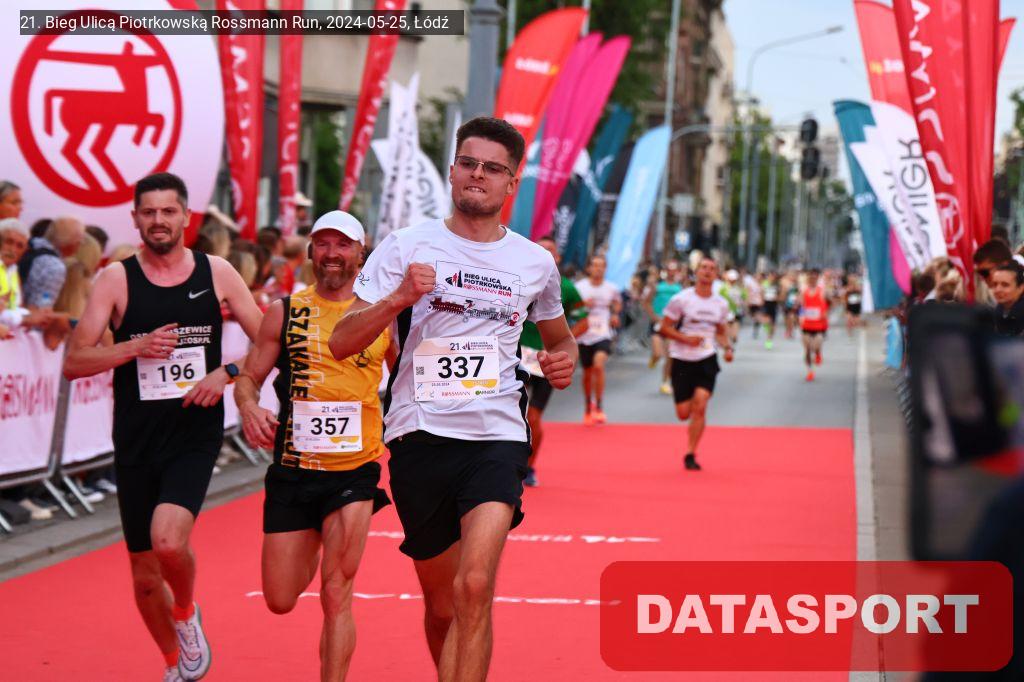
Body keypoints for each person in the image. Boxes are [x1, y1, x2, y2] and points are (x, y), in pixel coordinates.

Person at [328, 116, 577, 681]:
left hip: (497, 436)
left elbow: (560, 341)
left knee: (475, 585)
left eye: (492, 168)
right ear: (452, 170)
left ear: (511, 183)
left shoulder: (534, 262)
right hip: (420, 436)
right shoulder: (406, 245)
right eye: (469, 163)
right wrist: (397, 298)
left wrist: (562, 362)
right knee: (443, 606)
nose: (477, 175)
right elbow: (341, 341)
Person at [62, 172, 263, 682]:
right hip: (136, 436)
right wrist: (134, 346)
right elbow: (75, 361)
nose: (158, 221)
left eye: (168, 211)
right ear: (135, 219)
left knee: (168, 542)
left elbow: (270, 340)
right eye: (149, 212)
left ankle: (187, 611)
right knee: (145, 574)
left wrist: (228, 372)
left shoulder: (217, 271)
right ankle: (174, 664)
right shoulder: (116, 279)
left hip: (194, 432)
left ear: (186, 217)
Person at [234, 210, 392, 681]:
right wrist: (248, 406)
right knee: (280, 599)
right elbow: (249, 377)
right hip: (294, 467)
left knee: (337, 592)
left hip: (354, 470)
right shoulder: (284, 311)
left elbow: (411, 378)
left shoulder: (381, 314)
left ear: (361, 254)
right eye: (323, 243)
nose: (332, 254)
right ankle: (316, 542)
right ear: (310, 252)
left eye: (343, 245)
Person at [519, 235, 588, 486]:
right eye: (540, 249)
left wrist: (562, 348)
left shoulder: (566, 287)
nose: (545, 253)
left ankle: (530, 467)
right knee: (511, 415)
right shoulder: (516, 278)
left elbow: (583, 321)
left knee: (534, 418)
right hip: (516, 358)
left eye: (550, 250)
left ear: (557, 257)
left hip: (544, 360)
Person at [658, 257, 734, 471]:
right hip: (682, 359)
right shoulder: (681, 299)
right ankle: (692, 421)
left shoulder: (720, 304)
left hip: (707, 358)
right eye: (704, 268)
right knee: (683, 413)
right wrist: (685, 339)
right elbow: (664, 328)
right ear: (696, 272)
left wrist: (728, 348)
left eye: (712, 269)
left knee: (700, 405)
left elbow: (721, 332)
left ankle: (690, 452)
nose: (707, 271)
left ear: (716, 274)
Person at [575, 254, 622, 424]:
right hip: (584, 333)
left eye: (601, 265)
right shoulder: (579, 287)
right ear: (589, 268)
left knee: (598, 365)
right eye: (595, 265)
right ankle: (588, 406)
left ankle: (600, 406)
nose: (598, 269)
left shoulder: (611, 288)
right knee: (587, 373)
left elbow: (617, 303)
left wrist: (615, 314)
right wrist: (582, 305)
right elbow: (570, 307)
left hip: (603, 332)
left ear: (605, 268)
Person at [19, 216, 85, 310]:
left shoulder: (26, 245)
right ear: (71, 243)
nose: (79, 246)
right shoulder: (55, 267)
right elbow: (42, 307)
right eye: (79, 242)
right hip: (19, 315)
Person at [642, 260, 683, 394]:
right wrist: (654, 317)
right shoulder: (658, 286)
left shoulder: (679, 288)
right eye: (669, 269)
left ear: (677, 272)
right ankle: (654, 358)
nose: (671, 272)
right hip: (658, 323)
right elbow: (646, 302)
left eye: (674, 270)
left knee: (670, 355)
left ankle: (665, 382)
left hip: (671, 325)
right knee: (657, 353)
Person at [799, 268, 829, 382]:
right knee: (807, 350)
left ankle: (818, 352)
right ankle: (810, 371)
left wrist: (824, 314)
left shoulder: (822, 291)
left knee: (815, 346)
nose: (812, 279)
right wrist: (801, 317)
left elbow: (827, 304)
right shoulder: (804, 291)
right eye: (810, 277)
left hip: (818, 325)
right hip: (806, 324)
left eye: (814, 278)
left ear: (817, 279)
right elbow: (801, 306)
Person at [990, 263, 1024, 336]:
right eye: (995, 284)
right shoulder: (996, 311)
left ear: (1020, 288)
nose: (997, 290)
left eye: (1005, 285)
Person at [759, 271, 780, 349]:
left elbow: (780, 295)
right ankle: (767, 330)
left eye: (774, 277)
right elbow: (761, 293)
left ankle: (769, 339)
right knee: (767, 321)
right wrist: (762, 301)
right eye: (771, 276)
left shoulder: (777, 285)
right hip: (766, 303)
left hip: (773, 305)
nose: (772, 278)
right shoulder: (765, 284)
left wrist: (777, 298)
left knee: (773, 326)